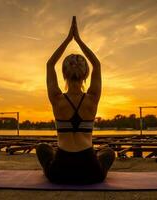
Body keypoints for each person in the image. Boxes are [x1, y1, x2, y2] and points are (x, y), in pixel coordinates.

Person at [36, 16, 115, 185]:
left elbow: (50, 65)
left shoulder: (57, 99)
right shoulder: (92, 98)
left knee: (43, 148)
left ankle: (51, 166)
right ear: (86, 74)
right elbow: (97, 65)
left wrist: (68, 39)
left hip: (59, 172)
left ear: (64, 74)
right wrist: (78, 40)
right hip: (91, 172)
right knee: (108, 152)